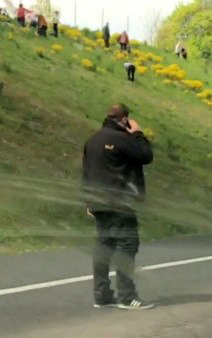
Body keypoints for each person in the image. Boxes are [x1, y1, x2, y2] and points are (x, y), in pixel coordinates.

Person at [82, 103, 154, 310]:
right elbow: (146, 156)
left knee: (103, 248)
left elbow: (86, 172)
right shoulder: (124, 139)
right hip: (121, 203)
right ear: (124, 119)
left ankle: (102, 295)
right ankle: (127, 296)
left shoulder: (92, 140)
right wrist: (138, 133)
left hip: (99, 203)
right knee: (126, 246)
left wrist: (88, 201)